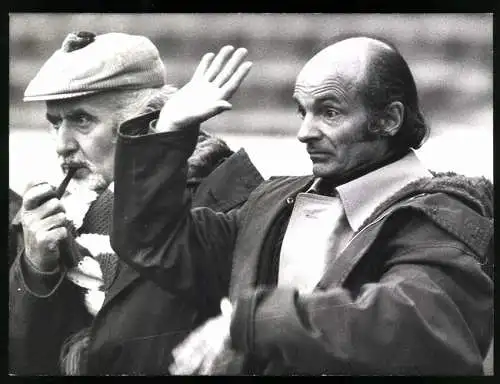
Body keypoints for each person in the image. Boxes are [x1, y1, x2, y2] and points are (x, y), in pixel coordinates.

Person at [111, 38, 494, 375]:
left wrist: (251, 322)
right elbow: (155, 242)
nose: (304, 132)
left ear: (389, 119)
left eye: (329, 112)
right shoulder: (274, 201)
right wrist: (168, 131)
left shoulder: (441, 213)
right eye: (302, 110)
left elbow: (416, 322)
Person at [9, 31, 263, 375]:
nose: (62, 145)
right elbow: (26, 362)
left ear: (146, 120)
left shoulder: (226, 202)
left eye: (82, 120)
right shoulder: (66, 216)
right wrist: (37, 269)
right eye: (56, 123)